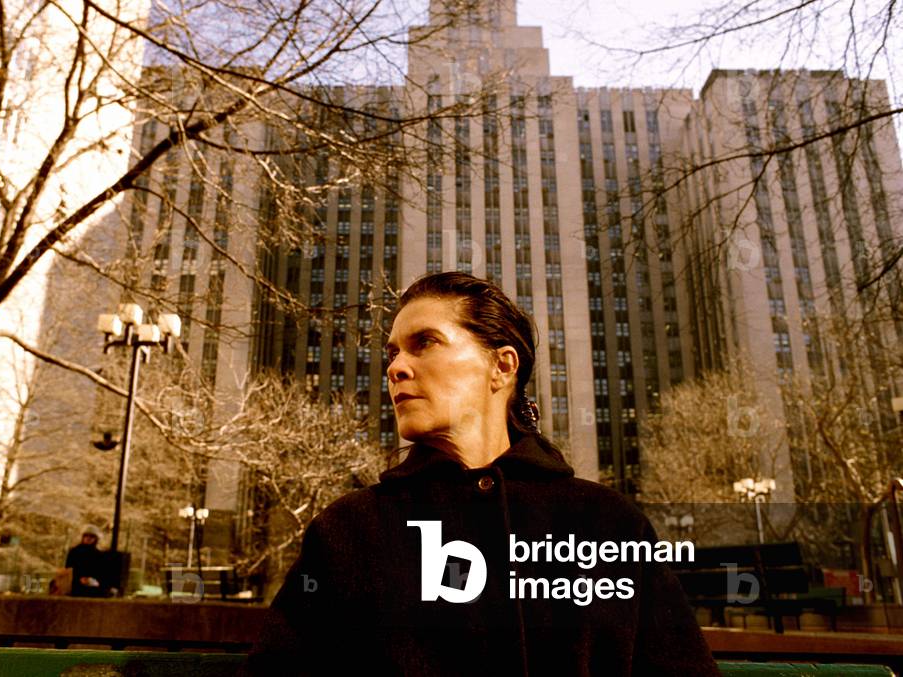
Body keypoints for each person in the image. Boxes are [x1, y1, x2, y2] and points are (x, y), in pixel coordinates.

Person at [246, 272, 720, 676]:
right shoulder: (349, 530)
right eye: (392, 353)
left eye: (424, 343)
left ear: (502, 365)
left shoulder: (608, 524)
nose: (396, 368)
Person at [65, 525, 106, 597]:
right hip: (75, 585)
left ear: (96, 538)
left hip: (93, 585)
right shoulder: (74, 552)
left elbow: (101, 571)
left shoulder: (99, 554)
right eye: (86, 535)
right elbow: (68, 569)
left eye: (92, 536)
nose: (88, 538)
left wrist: (93, 580)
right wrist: (79, 579)